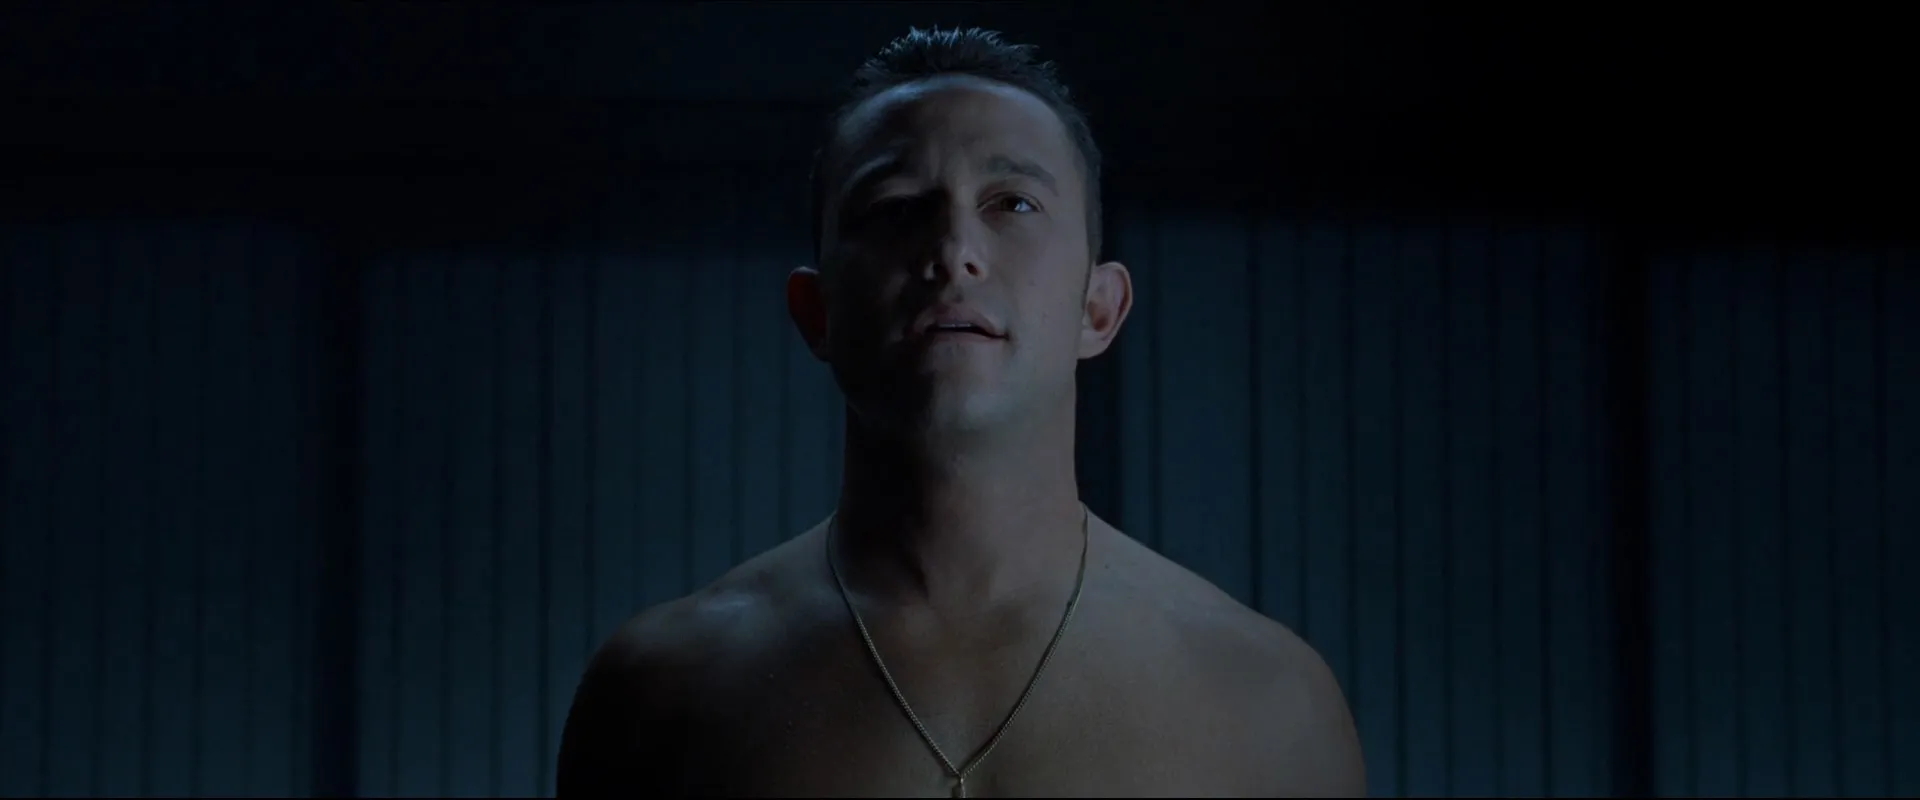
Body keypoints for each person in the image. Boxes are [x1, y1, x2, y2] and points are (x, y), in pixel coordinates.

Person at [556, 26, 1365, 798]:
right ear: (817, 312)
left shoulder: (1269, 699)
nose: (953, 250)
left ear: (1098, 308)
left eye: (1013, 203)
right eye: (895, 204)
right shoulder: (661, 692)